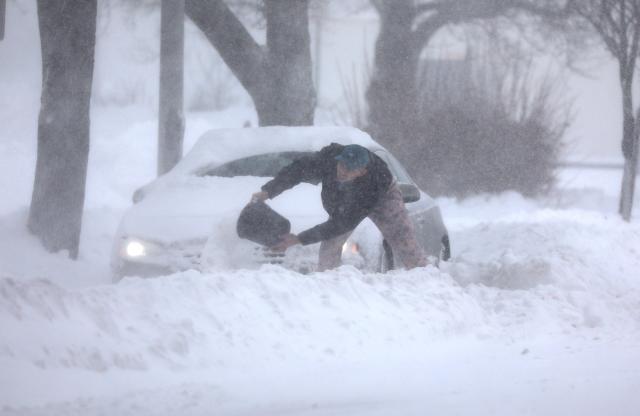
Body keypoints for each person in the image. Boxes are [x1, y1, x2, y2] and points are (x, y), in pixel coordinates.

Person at [251, 143, 427, 271]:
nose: (342, 172)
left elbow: (342, 224)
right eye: (341, 165)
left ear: (362, 171)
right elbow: (296, 170)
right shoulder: (327, 159)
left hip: (384, 197)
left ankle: (424, 279)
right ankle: (330, 287)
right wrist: (269, 191)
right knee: (329, 249)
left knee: (404, 241)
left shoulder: (373, 184)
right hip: (344, 202)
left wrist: (299, 239)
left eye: (349, 170)